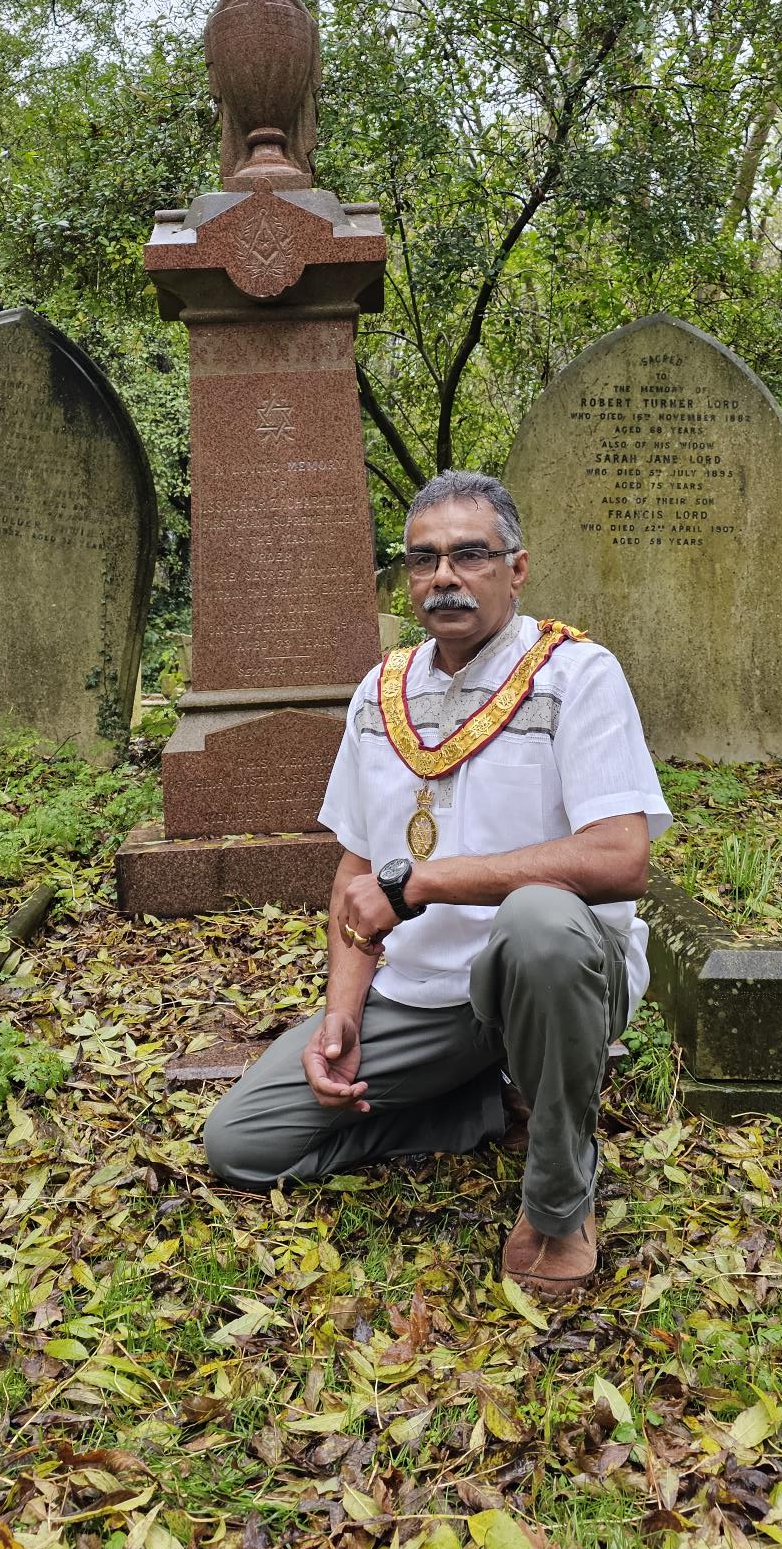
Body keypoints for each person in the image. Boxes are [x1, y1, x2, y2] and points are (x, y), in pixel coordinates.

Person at [203, 470, 671, 1294]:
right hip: (425, 998)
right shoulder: (381, 690)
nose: (444, 577)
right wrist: (342, 1011)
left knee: (538, 924)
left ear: (516, 569)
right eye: (423, 559)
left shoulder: (577, 674)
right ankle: (486, 1101)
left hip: (552, 979)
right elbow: (356, 871)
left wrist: (425, 882)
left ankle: (560, 1198)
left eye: (469, 555)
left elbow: (618, 857)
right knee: (242, 1144)